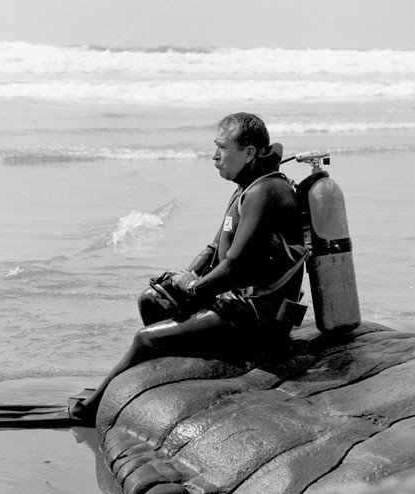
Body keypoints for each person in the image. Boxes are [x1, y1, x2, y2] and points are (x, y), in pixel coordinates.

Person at [70, 112, 306, 426]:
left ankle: (92, 409)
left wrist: (194, 288)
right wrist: (183, 276)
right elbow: (214, 251)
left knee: (146, 340)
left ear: (249, 152)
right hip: (236, 303)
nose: (214, 155)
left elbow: (235, 266)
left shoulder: (268, 193)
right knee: (152, 300)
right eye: (215, 146)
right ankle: (167, 378)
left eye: (223, 147)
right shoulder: (248, 186)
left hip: (257, 317)